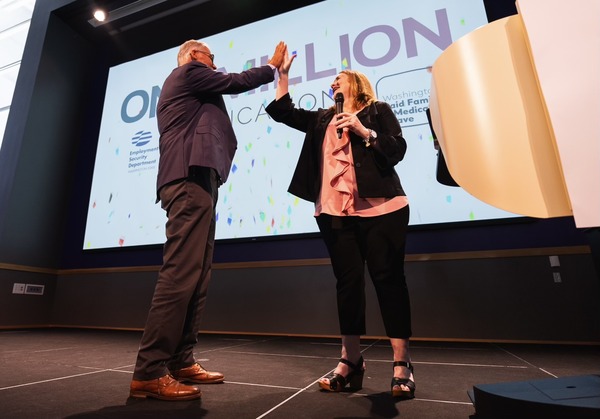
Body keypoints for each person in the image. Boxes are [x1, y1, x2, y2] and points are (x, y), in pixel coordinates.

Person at [129, 39, 286, 401]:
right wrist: (271, 66)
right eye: (212, 57)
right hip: (187, 179)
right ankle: (149, 370)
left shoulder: (194, 82)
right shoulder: (188, 72)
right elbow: (234, 82)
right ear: (194, 57)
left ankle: (181, 359)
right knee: (181, 273)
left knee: (198, 275)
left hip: (201, 180)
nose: (215, 63)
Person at [266, 47, 415, 398]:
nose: (334, 80)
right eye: (332, 78)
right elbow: (282, 112)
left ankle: (401, 363)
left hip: (383, 209)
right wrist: (283, 75)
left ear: (356, 85)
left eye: (340, 76)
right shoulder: (321, 119)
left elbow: (397, 150)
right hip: (334, 213)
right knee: (347, 285)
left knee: (388, 280)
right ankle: (350, 362)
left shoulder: (377, 111)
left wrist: (364, 131)